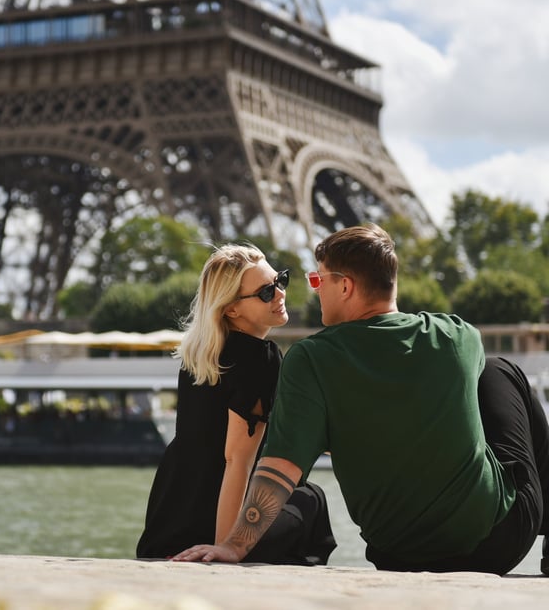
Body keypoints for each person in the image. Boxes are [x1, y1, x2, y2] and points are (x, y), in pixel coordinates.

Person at [173, 224, 549, 575]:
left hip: (398, 555)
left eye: (318, 279)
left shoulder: (310, 359)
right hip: (499, 542)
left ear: (346, 287)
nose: (313, 290)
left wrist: (235, 546)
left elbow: (278, 471)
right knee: (499, 371)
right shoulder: (458, 336)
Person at [136, 243, 336, 564]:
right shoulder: (258, 358)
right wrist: (226, 548)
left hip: (173, 514)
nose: (280, 293)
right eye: (265, 292)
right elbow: (236, 460)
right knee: (310, 498)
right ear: (231, 309)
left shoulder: (200, 355)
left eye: (280, 281)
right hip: (217, 520)